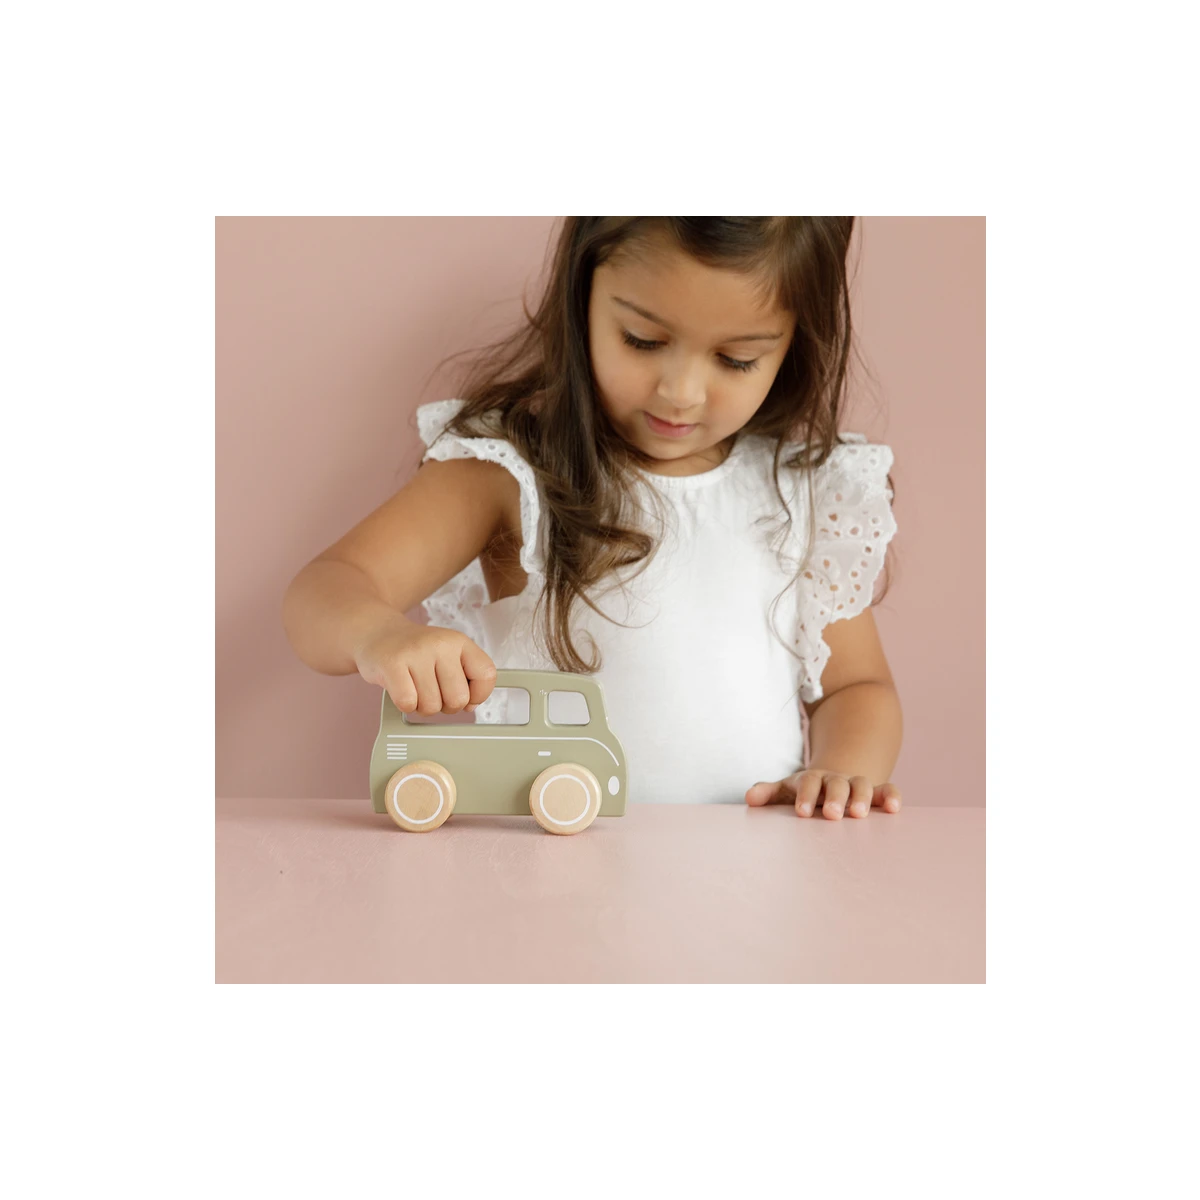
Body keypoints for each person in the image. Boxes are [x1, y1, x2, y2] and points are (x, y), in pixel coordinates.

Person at [282, 217, 903, 819]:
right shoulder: (511, 471)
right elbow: (327, 587)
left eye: (737, 359)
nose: (682, 391)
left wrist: (841, 771)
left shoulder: (803, 492)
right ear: (582, 294)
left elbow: (855, 689)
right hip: (547, 860)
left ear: (794, 341)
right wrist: (378, 635)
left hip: (752, 871)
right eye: (643, 340)